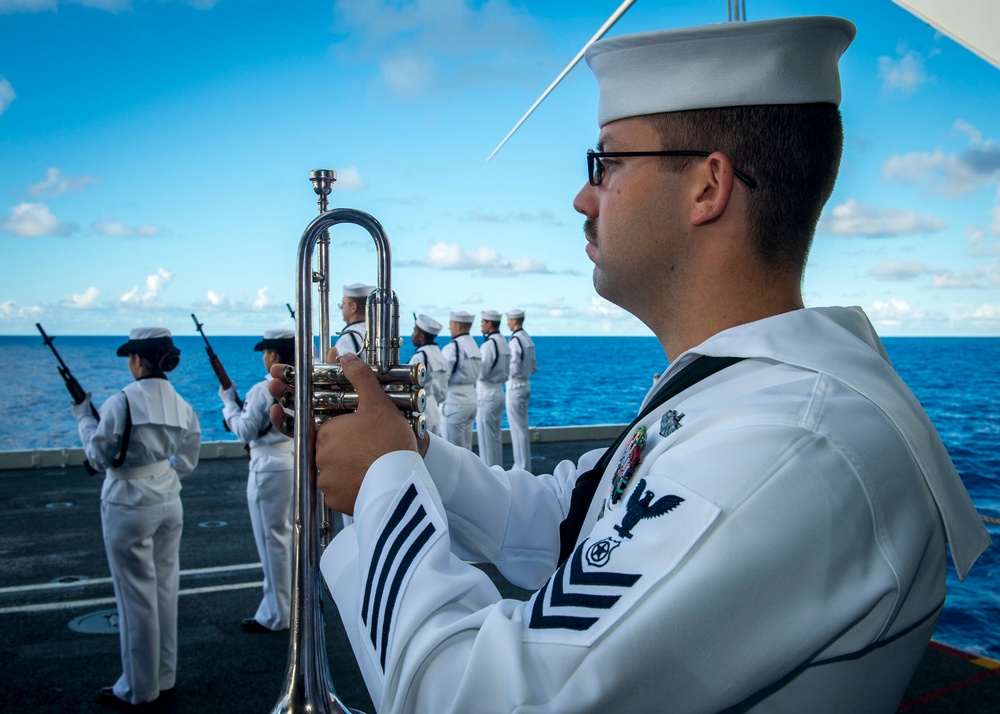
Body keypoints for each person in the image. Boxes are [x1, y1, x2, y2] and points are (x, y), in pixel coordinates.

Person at [274, 16, 992, 713]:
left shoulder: (789, 447)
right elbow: (567, 522)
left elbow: (471, 698)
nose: (584, 197)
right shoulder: (735, 397)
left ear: (708, 187)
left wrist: (382, 482)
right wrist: (413, 453)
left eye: (609, 162)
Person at [72, 327, 201, 708]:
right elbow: (188, 462)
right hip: (168, 499)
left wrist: (83, 418)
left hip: (128, 503)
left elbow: (97, 457)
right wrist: (160, 475)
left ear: (138, 360)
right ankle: (164, 676)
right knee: (164, 590)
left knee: (135, 599)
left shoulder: (121, 401)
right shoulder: (182, 405)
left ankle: (138, 689)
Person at [219, 329, 294, 633]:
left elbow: (244, 431)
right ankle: (286, 606)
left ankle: (278, 614)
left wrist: (228, 403)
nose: (264, 358)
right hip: (292, 461)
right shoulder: (302, 384)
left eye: (266, 353)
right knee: (287, 539)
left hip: (267, 467)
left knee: (271, 541)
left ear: (274, 355)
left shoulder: (261, 391)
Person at [438, 311, 481, 450]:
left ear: (458, 326)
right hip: (471, 400)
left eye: (451, 324)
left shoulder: (452, 347)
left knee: (452, 450)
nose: (449, 328)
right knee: (466, 449)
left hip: (454, 402)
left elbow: (442, 376)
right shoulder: (474, 345)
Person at [475, 309, 510, 467]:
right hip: (498, 392)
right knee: (495, 438)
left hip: (486, 393)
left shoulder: (489, 344)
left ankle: (489, 475)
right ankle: (498, 471)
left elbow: (481, 373)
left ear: (489, 323)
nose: (481, 326)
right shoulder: (503, 340)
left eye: (483, 322)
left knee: (486, 440)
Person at [505, 308, 537, 471]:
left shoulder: (515, 341)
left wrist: (505, 374)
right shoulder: (527, 339)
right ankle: (524, 465)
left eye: (509, 320)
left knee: (517, 429)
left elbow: (514, 366)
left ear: (515, 321)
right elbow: (533, 366)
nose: (507, 322)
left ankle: (521, 466)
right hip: (525, 384)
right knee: (522, 427)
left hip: (515, 385)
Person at [408, 314, 448, 436]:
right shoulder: (438, 354)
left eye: (415, 330)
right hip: (434, 408)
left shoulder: (420, 356)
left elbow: (409, 385)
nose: (412, 334)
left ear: (421, 337)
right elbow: (443, 389)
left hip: (421, 410)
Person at [334, 283, 374, 358]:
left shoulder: (347, 338)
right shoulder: (377, 333)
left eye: (343, 303)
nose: (341, 307)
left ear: (353, 307)